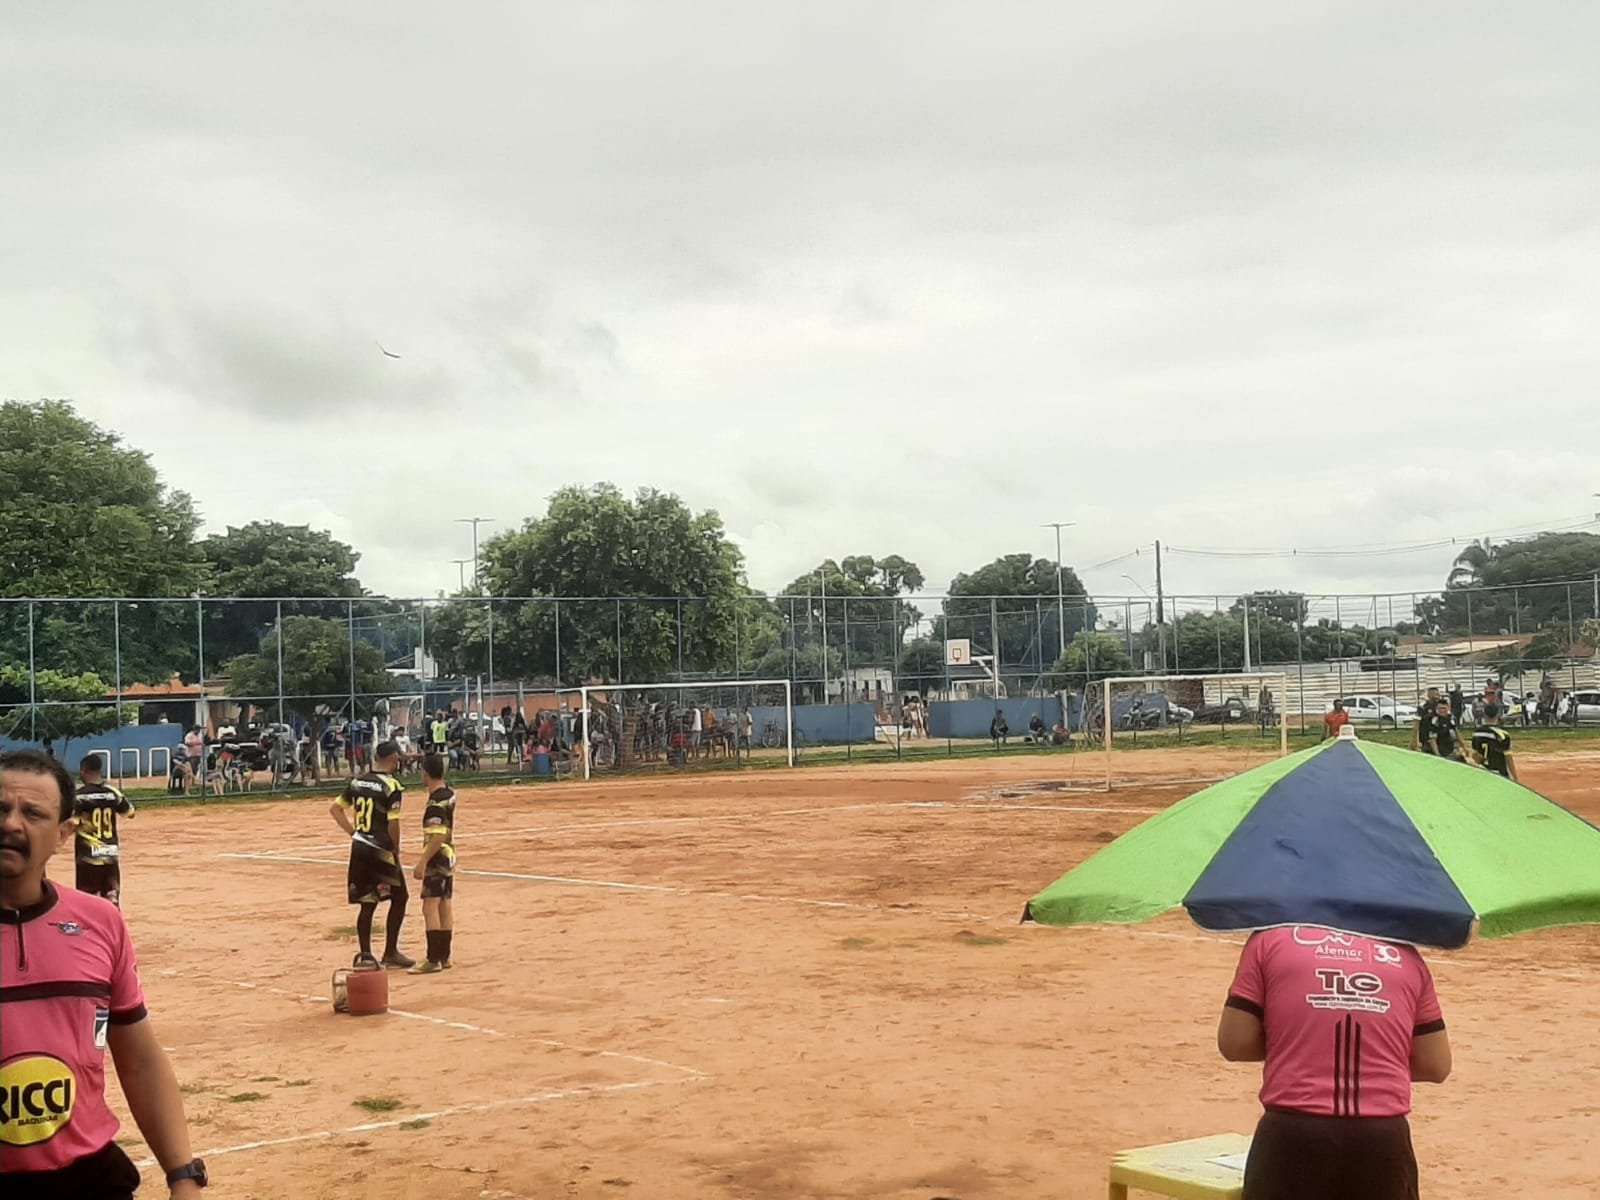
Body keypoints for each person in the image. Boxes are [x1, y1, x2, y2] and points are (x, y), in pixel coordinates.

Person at [1, 750, 208, 1198]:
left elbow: (139, 1060)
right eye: (1, 809)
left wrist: (183, 1176)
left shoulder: (100, 922)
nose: (11, 824)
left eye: (32, 813)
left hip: (87, 1179)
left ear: (63, 834)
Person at [1218, 924, 1451, 1200]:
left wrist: (1300, 1049)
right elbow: (1436, 1064)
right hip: (1382, 1142)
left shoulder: (1268, 940)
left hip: (1292, 1135)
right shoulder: (1405, 954)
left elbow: (1235, 1042)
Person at [329, 740, 413, 969]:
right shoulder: (392, 786)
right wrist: (395, 850)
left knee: (368, 903)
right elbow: (392, 823)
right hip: (381, 847)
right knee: (400, 897)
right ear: (394, 758)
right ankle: (390, 951)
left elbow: (335, 809)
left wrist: (353, 832)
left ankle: (365, 954)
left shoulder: (357, 782)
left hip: (360, 846)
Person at [409, 754, 457, 974]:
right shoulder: (448, 794)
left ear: (425, 773)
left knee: (430, 906)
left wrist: (422, 861)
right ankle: (445, 955)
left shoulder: (435, 803)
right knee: (444, 904)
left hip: (437, 856)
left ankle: (433, 958)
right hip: (448, 855)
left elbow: (436, 836)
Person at [72, 756, 135, 907]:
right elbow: (130, 813)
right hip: (110, 855)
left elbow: (72, 823)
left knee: (89, 904)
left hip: (88, 857)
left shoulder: (79, 796)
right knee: (112, 901)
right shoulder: (113, 793)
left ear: (84, 771)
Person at [1468, 704, 1518, 781]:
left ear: (1484, 714)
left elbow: (1475, 756)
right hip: (1499, 772)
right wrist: (1515, 779)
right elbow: (1508, 759)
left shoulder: (1477, 733)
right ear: (1498, 715)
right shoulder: (1503, 735)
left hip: (1483, 771)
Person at [1412, 688, 1441, 753]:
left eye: (1438, 694)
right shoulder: (1423, 707)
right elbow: (1416, 724)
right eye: (1435, 694)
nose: (1437, 696)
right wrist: (1415, 740)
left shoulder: (1441, 706)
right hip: (1425, 738)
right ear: (1429, 695)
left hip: (1438, 737)